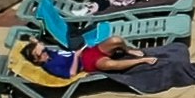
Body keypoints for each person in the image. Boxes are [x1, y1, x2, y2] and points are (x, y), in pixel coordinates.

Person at [20, 35, 158, 79]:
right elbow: (71, 74)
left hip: (88, 52)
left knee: (116, 40)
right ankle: (141, 60)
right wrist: (76, 57)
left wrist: (33, 42)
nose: (45, 52)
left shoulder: (48, 54)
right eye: (41, 53)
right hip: (87, 64)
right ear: (36, 60)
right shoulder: (51, 66)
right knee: (110, 65)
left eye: (43, 50)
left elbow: (36, 41)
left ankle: (128, 50)